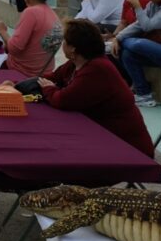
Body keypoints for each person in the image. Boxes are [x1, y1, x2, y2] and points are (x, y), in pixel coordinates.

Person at [39, 19, 154, 157]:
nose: (62, 45)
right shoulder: (75, 63)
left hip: (126, 150)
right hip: (103, 138)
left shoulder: (98, 69)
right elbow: (51, 78)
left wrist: (49, 89)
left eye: (65, 42)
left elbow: (63, 100)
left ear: (73, 48)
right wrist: (21, 84)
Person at [0, 0, 62, 77]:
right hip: (45, 73)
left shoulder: (31, 12)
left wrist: (2, 30)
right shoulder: (53, 15)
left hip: (23, 72)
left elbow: (14, 48)